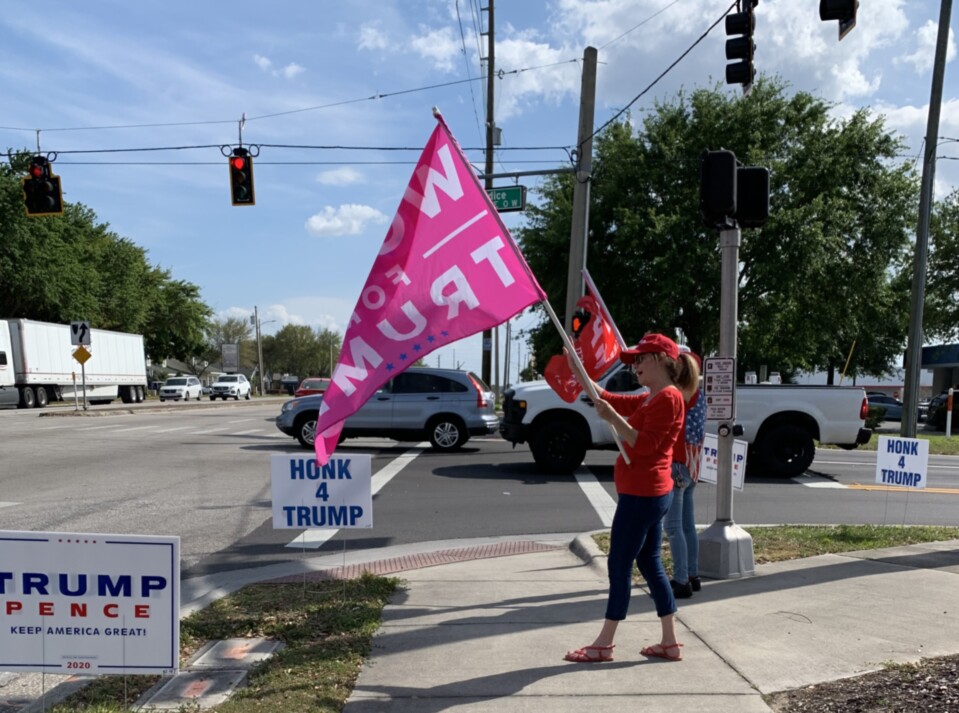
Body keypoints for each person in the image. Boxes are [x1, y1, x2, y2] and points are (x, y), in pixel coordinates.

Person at [562, 333, 699, 664]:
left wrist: (613, 418)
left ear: (662, 360)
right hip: (647, 494)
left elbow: (646, 444)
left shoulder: (668, 398)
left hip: (643, 495)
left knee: (619, 563)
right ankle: (669, 641)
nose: (634, 365)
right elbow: (606, 397)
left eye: (640, 358)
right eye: (634, 359)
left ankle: (604, 643)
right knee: (648, 562)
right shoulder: (653, 396)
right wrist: (578, 371)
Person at [663, 347, 705, 599]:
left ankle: (680, 580)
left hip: (676, 463)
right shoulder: (697, 393)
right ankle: (692, 574)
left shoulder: (676, 393)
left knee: (673, 527)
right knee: (688, 526)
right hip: (691, 466)